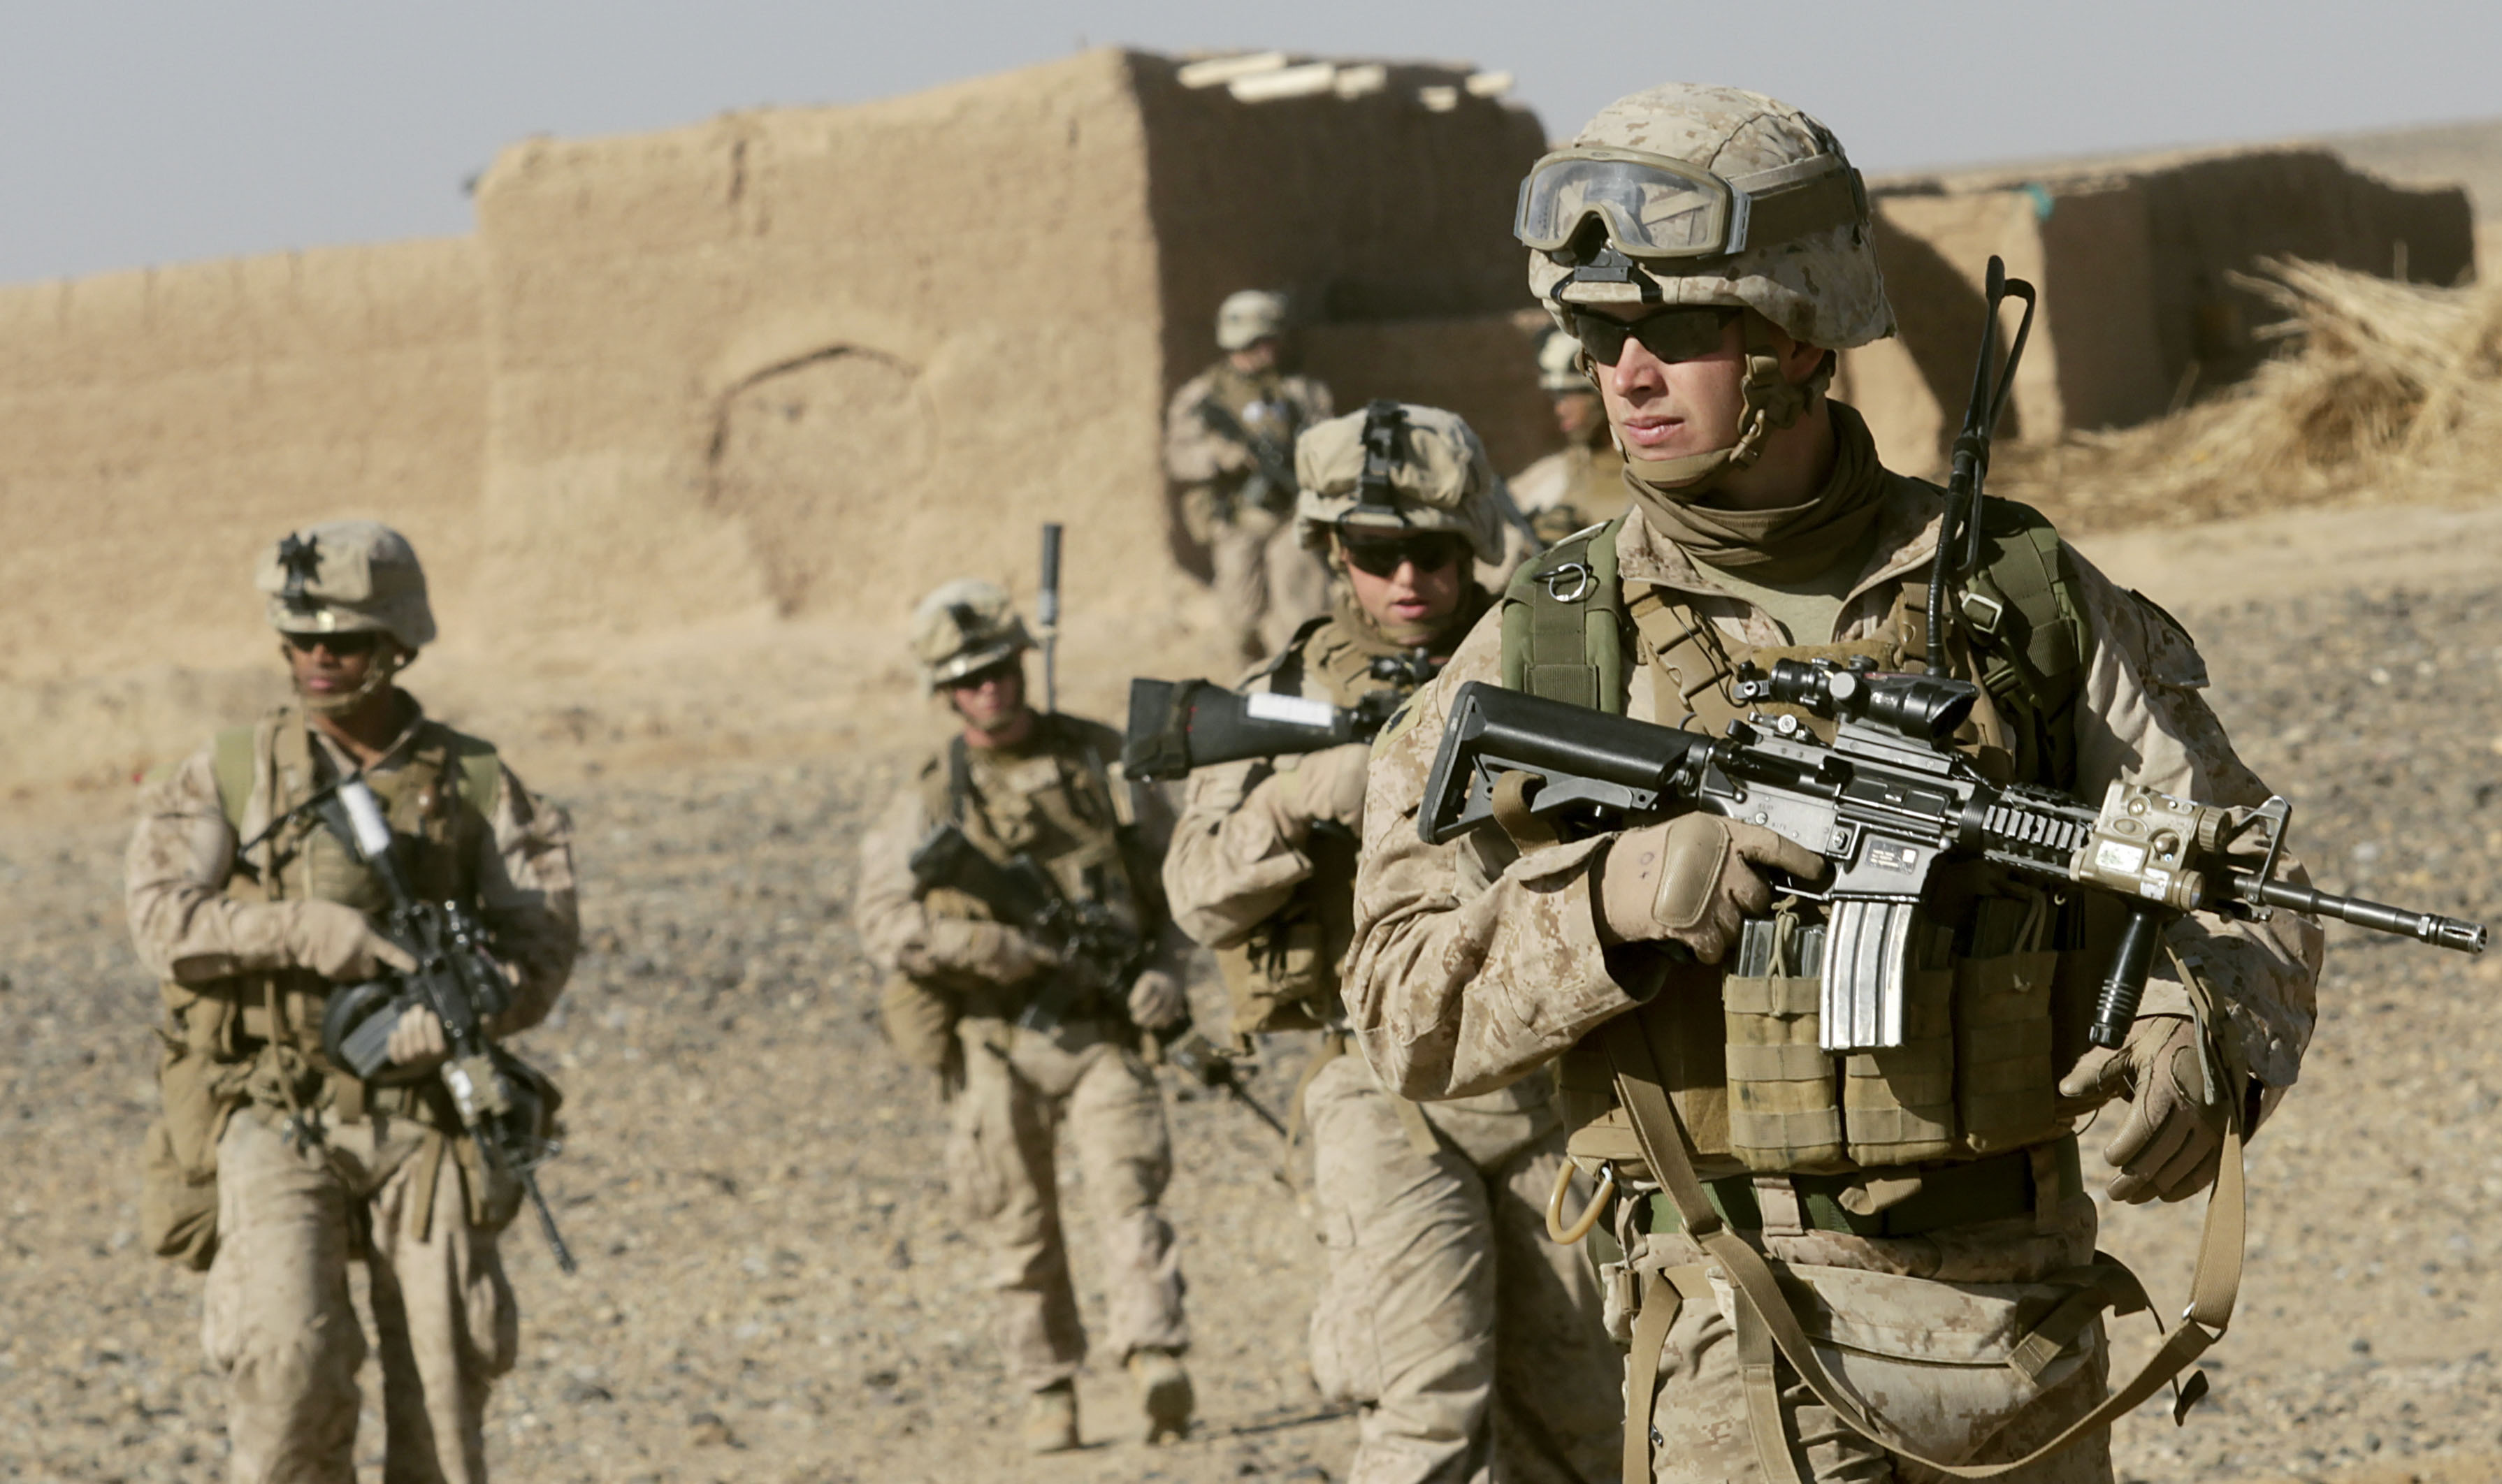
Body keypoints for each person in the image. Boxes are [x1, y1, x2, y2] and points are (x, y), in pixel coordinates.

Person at [1345, 85, 2322, 1484]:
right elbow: (1396, 1004)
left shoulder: (2010, 597)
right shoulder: (1549, 639)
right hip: (1736, 1313)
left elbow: (2242, 870)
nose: (1623, 374)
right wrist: (1606, 903)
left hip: (2021, 1322)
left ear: (1801, 336)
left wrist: (2204, 1023)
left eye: (1676, 331)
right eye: (1599, 333)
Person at [1163, 400, 1624, 1484]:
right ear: (1332, 552)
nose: (1405, 580)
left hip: (1539, 1082)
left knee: (1586, 1423)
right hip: (1379, 1087)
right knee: (1428, 1409)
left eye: (1431, 550)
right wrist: (1288, 807)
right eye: (1376, 554)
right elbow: (1195, 898)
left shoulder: (1540, 671)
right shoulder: (1278, 704)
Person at [126, 519, 579, 1484]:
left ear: (398, 644)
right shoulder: (231, 772)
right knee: (289, 1371)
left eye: (345, 642)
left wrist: (468, 1009)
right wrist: (303, 931)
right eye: (302, 640)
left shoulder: (476, 782)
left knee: (447, 1393)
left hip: (428, 1118)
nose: (319, 660)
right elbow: (160, 919)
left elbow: (540, 942)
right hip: (277, 1108)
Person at [853, 579, 1196, 1453]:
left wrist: (1164, 973)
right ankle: (1048, 1387)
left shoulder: (1099, 761)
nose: (990, 690)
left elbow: (1185, 881)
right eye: (969, 680)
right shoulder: (933, 794)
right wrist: (985, 950)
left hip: (1100, 1029)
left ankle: (1152, 1356)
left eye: (1001, 669)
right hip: (995, 1041)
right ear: (945, 694)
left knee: (1131, 1197)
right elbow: (882, 920)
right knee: (1016, 1226)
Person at [1165, 289, 1338, 662]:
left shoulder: (1300, 393)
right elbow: (1179, 459)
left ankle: (1299, 678)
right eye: (1263, 340)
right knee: (1241, 618)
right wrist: (1221, 456)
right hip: (1238, 518)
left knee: (1301, 606)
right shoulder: (1202, 397)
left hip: (1292, 514)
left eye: (1273, 340)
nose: (1271, 348)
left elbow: (1329, 444)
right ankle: (1247, 685)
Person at [1508, 326, 1621, 546]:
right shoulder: (1548, 478)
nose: (1561, 410)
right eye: (1557, 397)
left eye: (1572, 395)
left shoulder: (1650, 475)